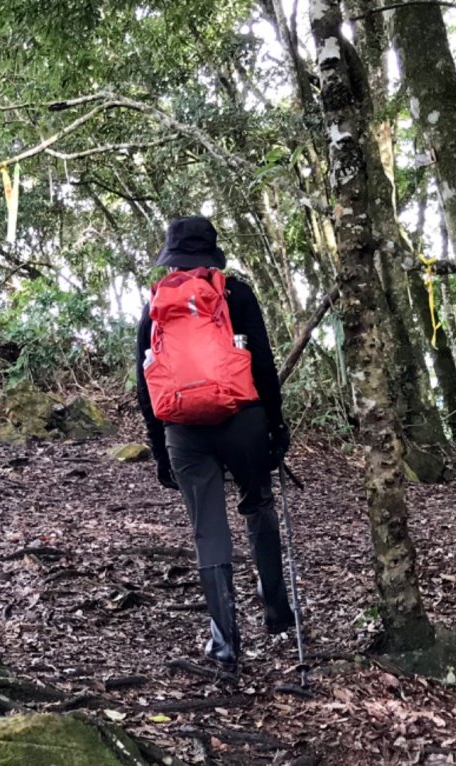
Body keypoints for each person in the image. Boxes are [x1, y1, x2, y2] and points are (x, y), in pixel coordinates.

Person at [136, 216, 294, 669]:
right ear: (212, 254)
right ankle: (278, 613)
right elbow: (261, 363)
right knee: (257, 503)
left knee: (209, 529)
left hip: (182, 430)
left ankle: (225, 643)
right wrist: (275, 425)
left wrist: (160, 444)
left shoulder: (156, 307)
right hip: (242, 419)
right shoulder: (236, 295)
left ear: (171, 257)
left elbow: (144, 382)